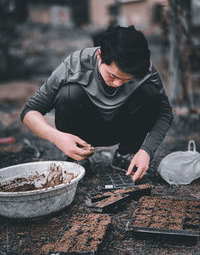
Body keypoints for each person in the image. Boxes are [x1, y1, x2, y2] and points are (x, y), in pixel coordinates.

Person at [21, 25, 173, 181]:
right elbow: (30, 111)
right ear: (99, 55)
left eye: (127, 80)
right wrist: (57, 137)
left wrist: (146, 151)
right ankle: (78, 157)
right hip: (85, 132)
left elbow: (165, 113)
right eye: (112, 76)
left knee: (150, 92)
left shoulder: (145, 71)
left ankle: (126, 154)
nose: (117, 84)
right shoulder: (75, 64)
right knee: (69, 93)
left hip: (123, 128)